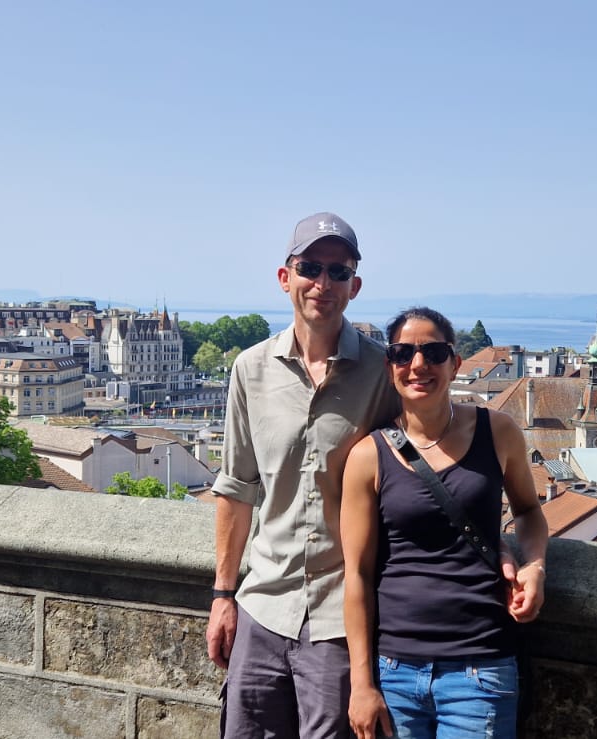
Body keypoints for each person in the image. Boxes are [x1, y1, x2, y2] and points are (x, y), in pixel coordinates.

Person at [208, 212, 400, 738]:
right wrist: (224, 596)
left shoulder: (384, 374)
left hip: (341, 618)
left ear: (355, 286)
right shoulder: (250, 369)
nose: (323, 283)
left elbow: (424, 469)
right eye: (310, 267)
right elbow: (237, 486)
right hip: (263, 605)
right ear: (284, 277)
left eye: (338, 272)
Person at [341, 306, 549, 739]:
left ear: (455, 363)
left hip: (480, 666)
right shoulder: (368, 456)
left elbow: (529, 511)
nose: (418, 365)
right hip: (395, 669)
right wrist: (361, 683)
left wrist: (534, 566)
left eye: (433, 352)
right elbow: (357, 575)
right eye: (403, 353)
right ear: (390, 365)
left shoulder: (498, 431)